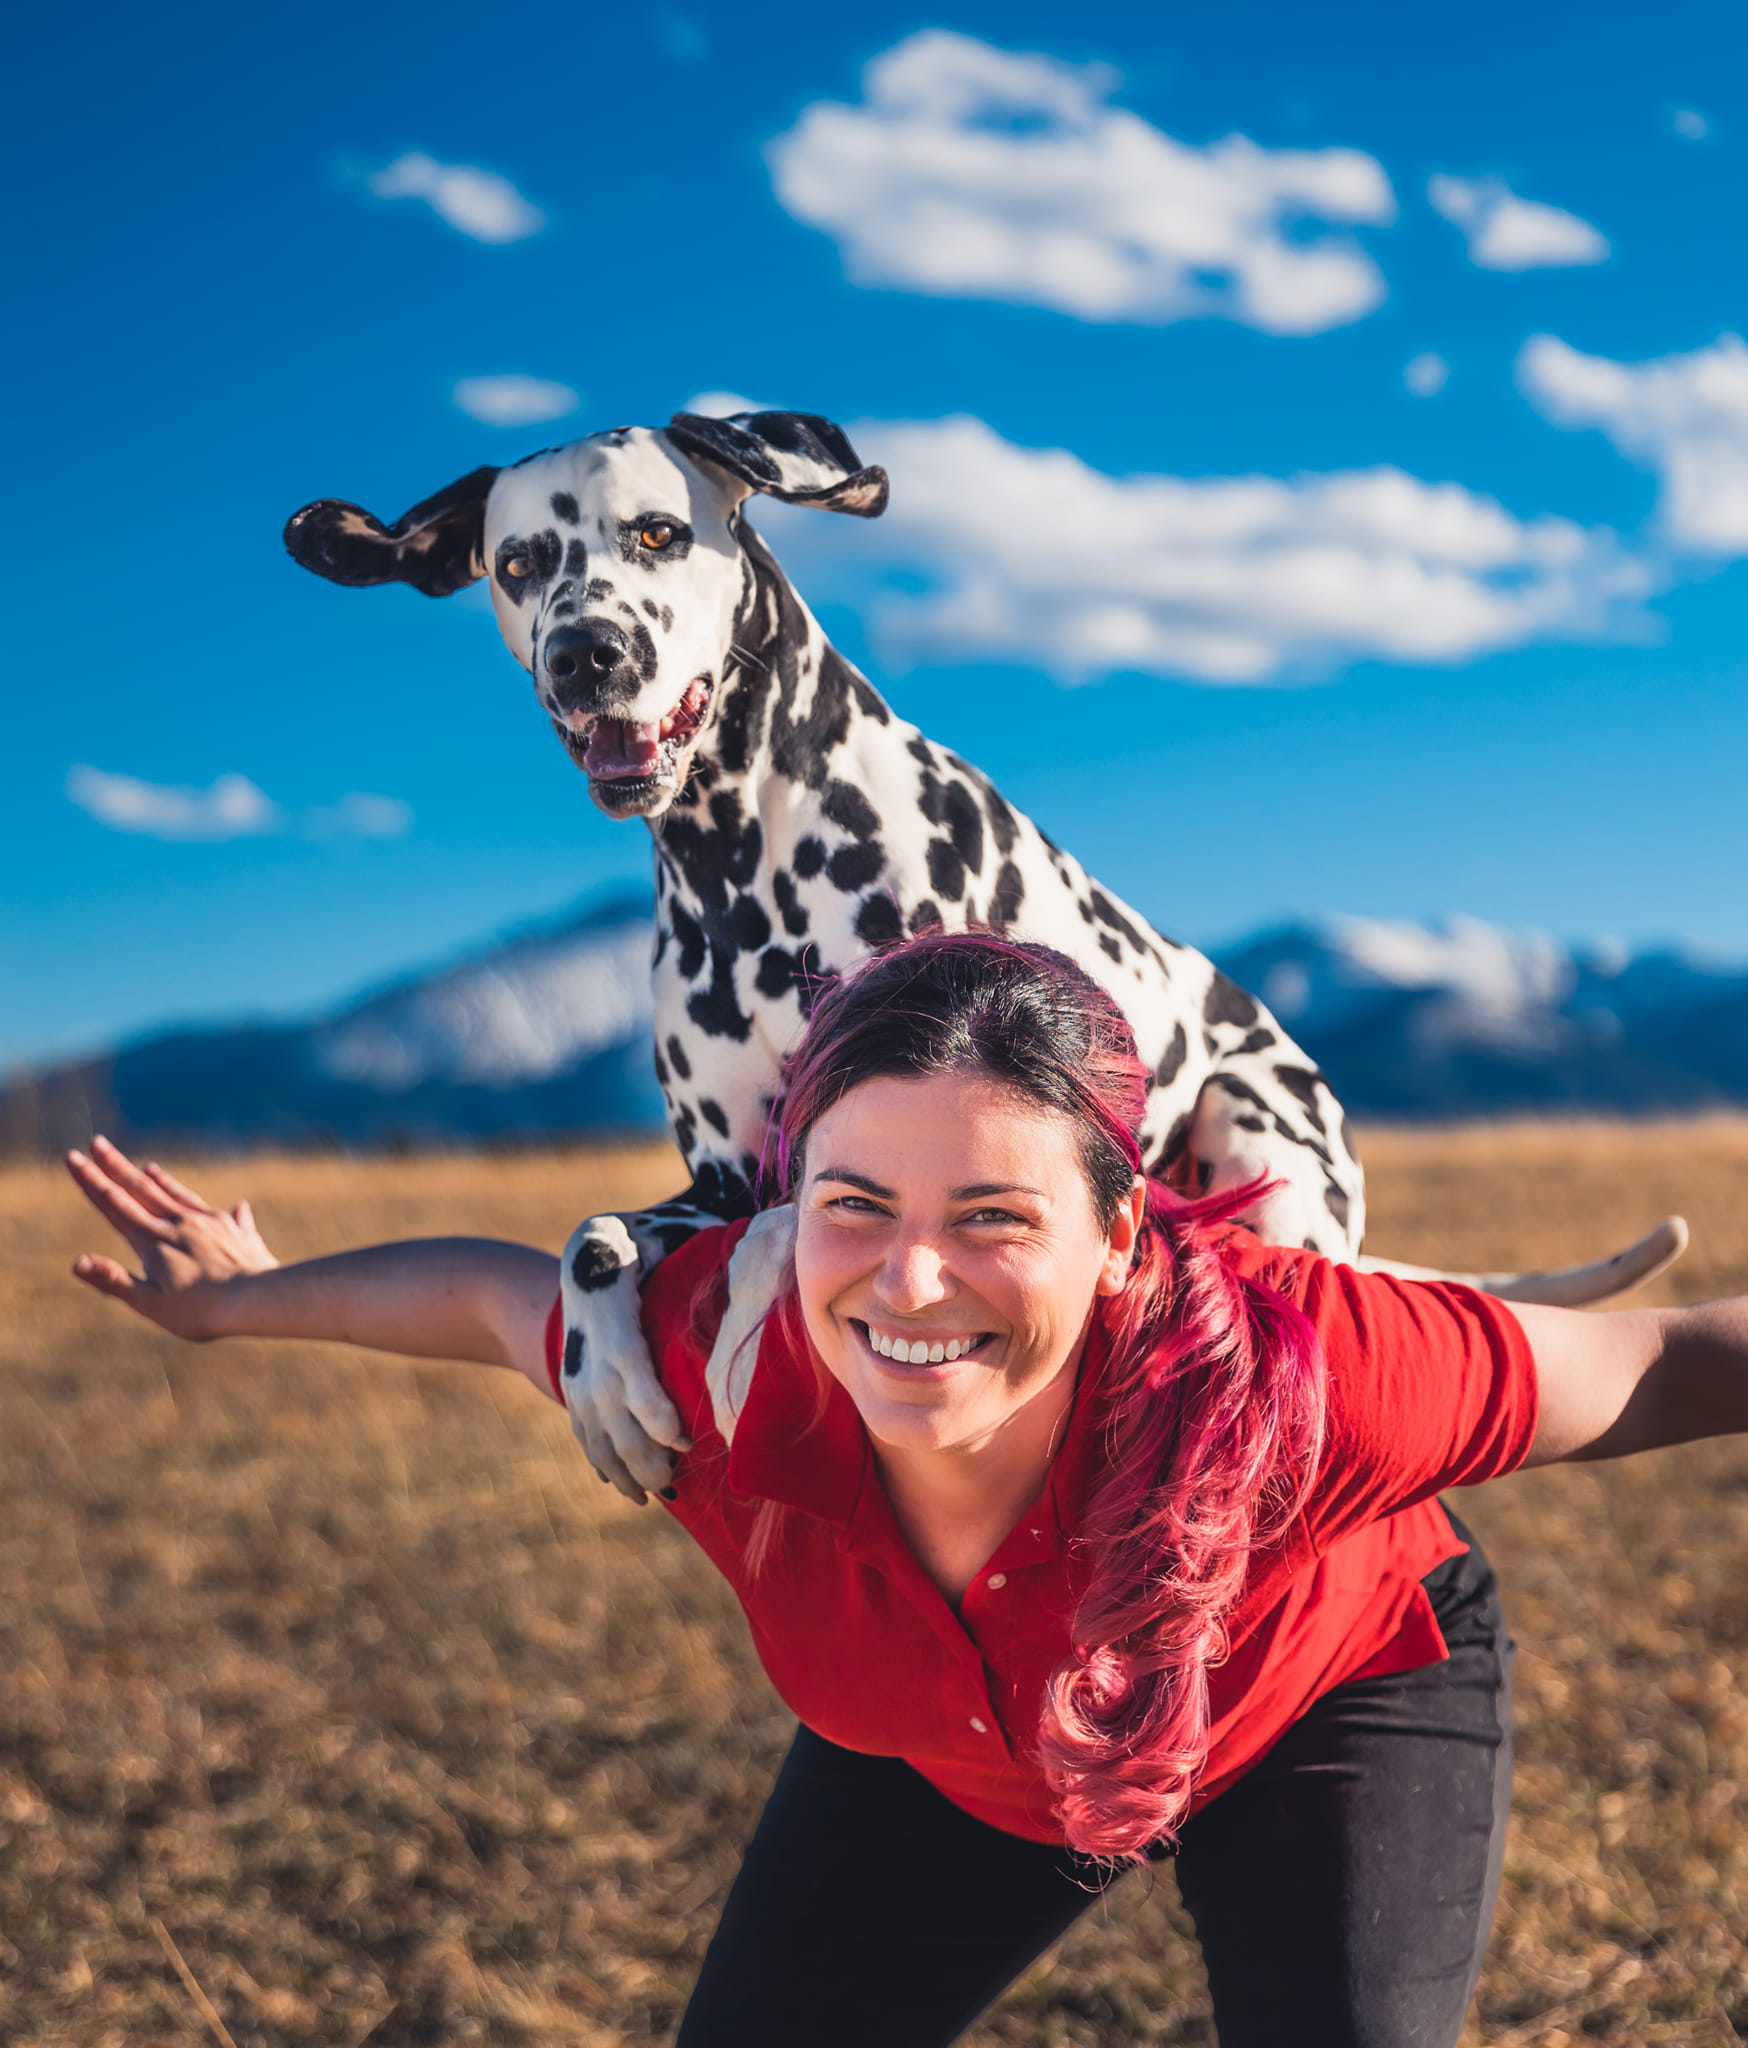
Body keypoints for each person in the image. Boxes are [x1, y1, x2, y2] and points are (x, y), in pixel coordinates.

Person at [63, 932, 1748, 2048]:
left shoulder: (1309, 1372)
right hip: (964, 1756)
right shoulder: (714, 1368)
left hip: (1331, 1691)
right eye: (855, 1205)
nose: (910, 1283)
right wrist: (229, 1302)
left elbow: (1671, 1359)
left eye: (997, 1217)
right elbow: (499, 1298)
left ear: (1121, 1236)